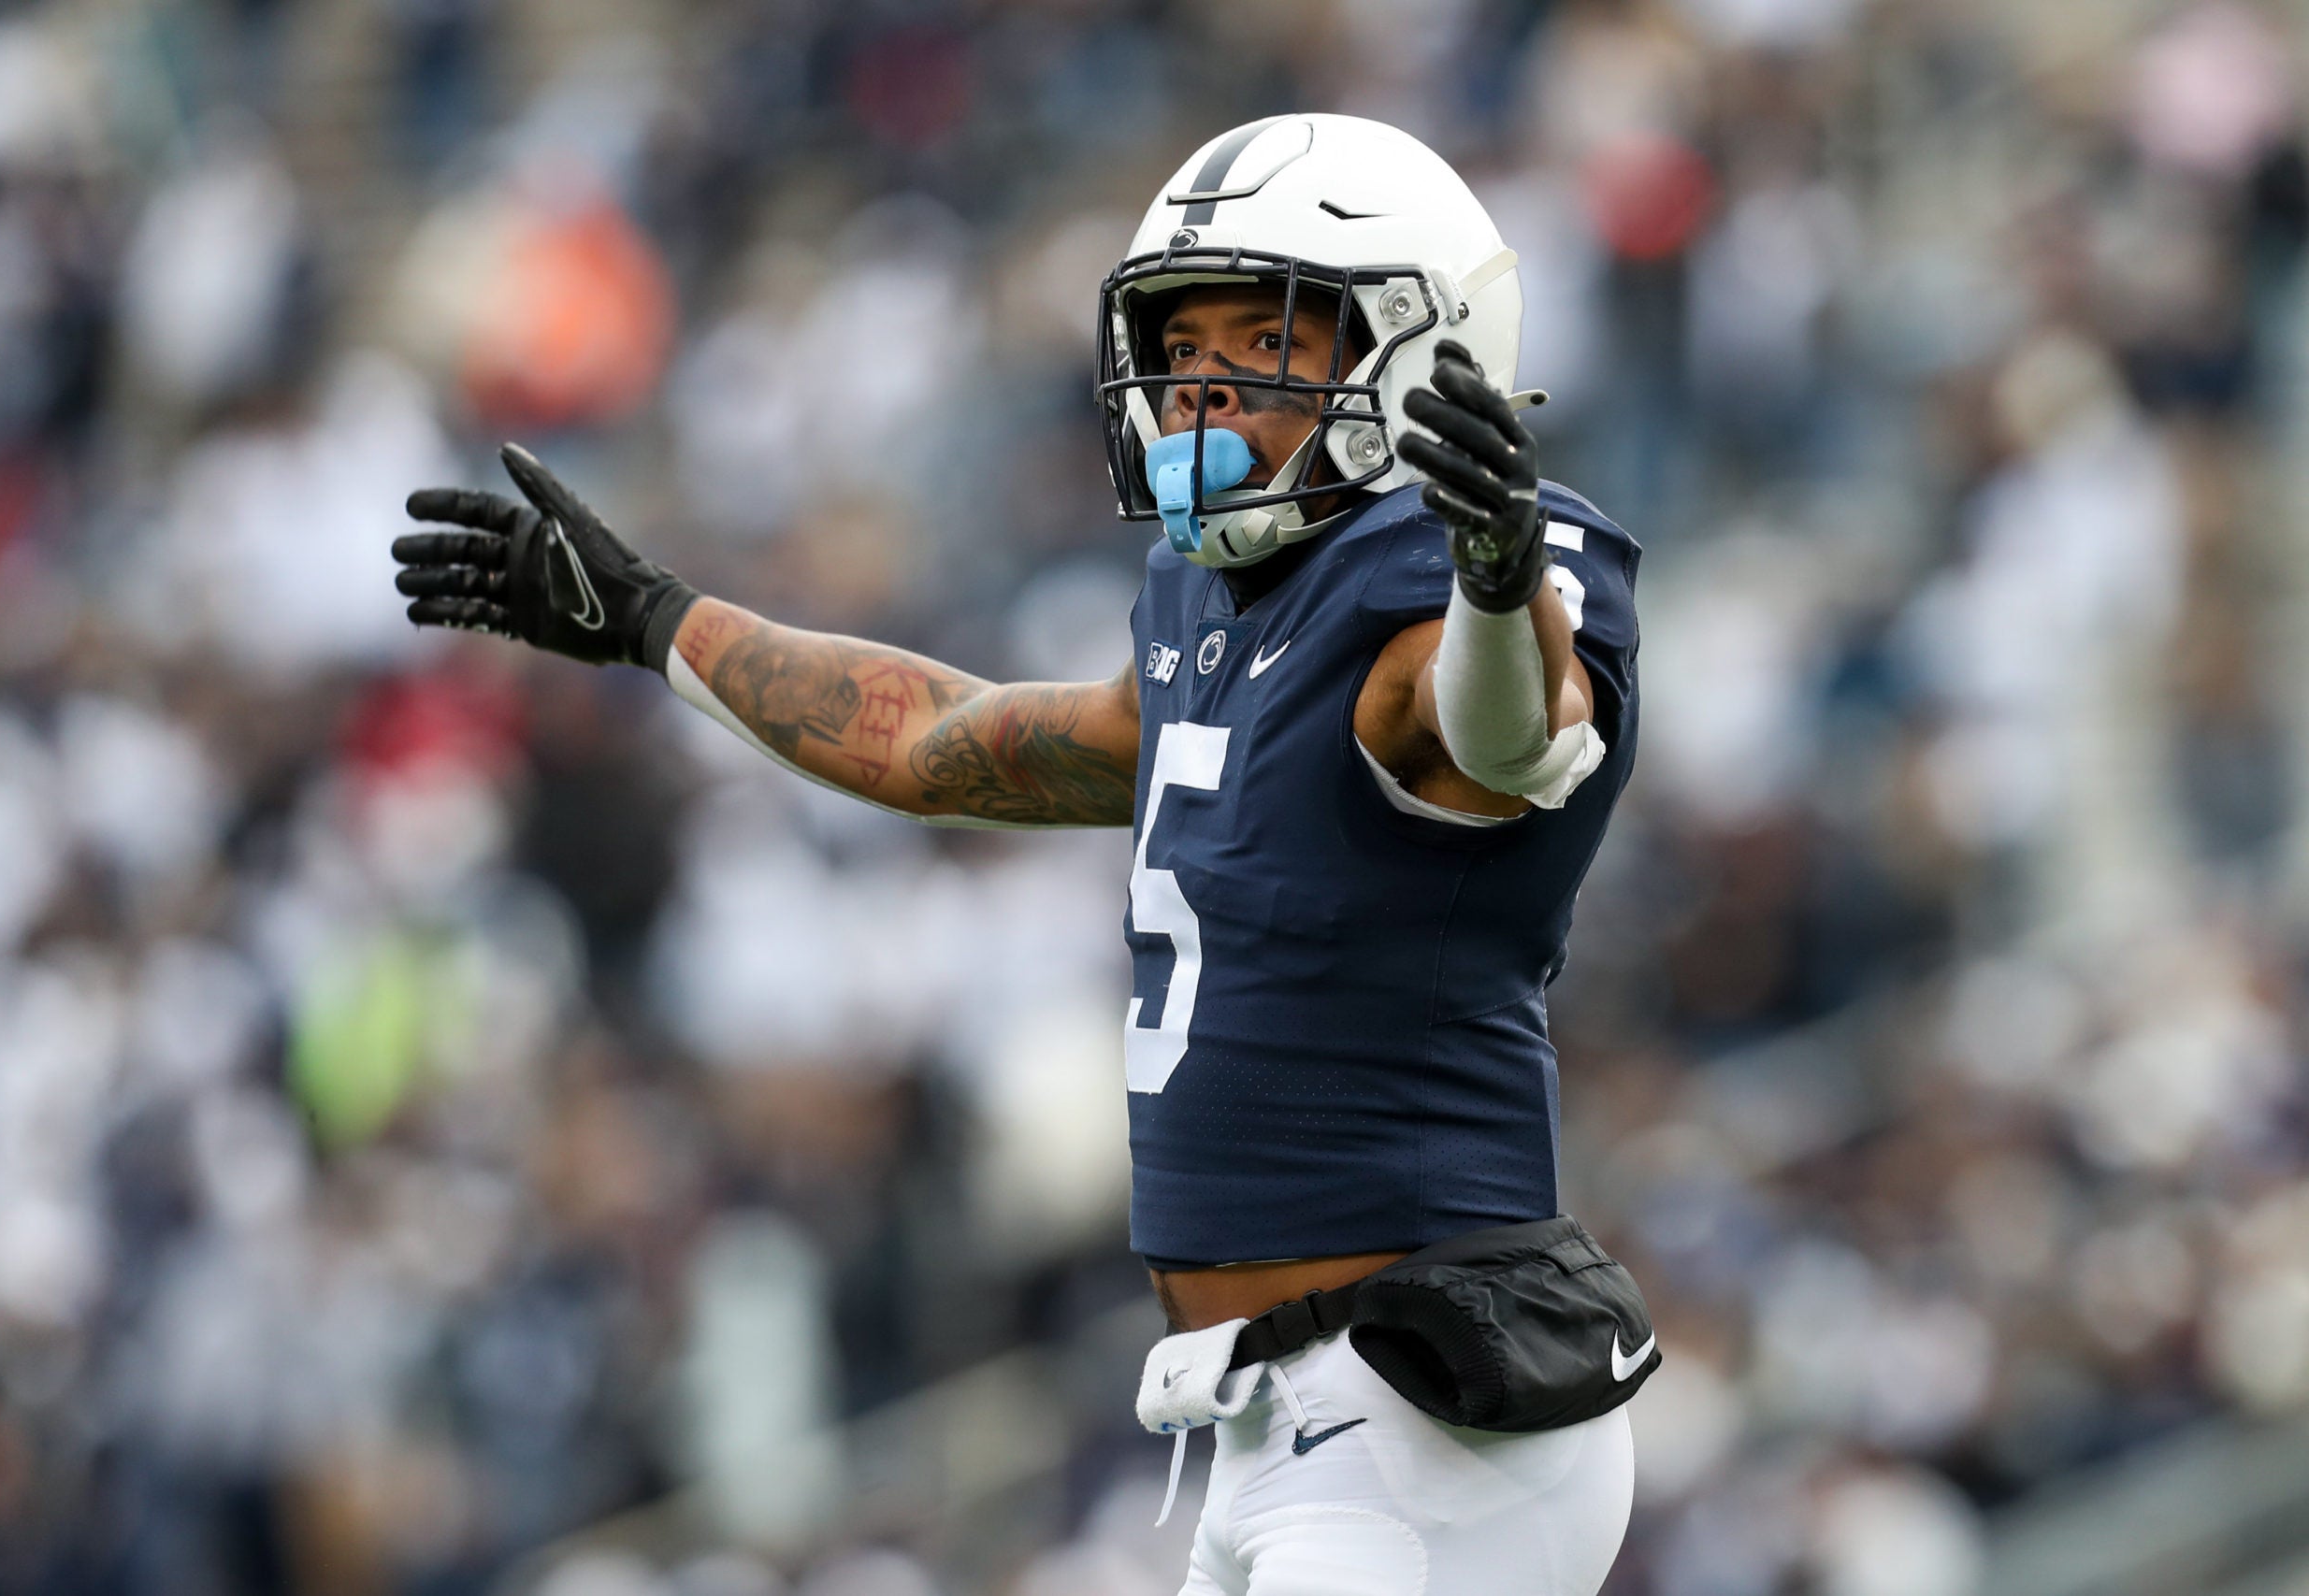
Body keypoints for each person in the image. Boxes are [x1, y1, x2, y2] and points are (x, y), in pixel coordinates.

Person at [396, 114, 1649, 1595]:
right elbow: (946, 742)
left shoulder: (1451, 585)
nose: (1205, 389)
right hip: (1274, 1422)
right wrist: (659, 622)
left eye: (1268, 340)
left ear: (1419, 353)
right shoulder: (1215, 597)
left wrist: (1499, 576)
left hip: (1426, 1412)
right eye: (1184, 348)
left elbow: (1504, 732)